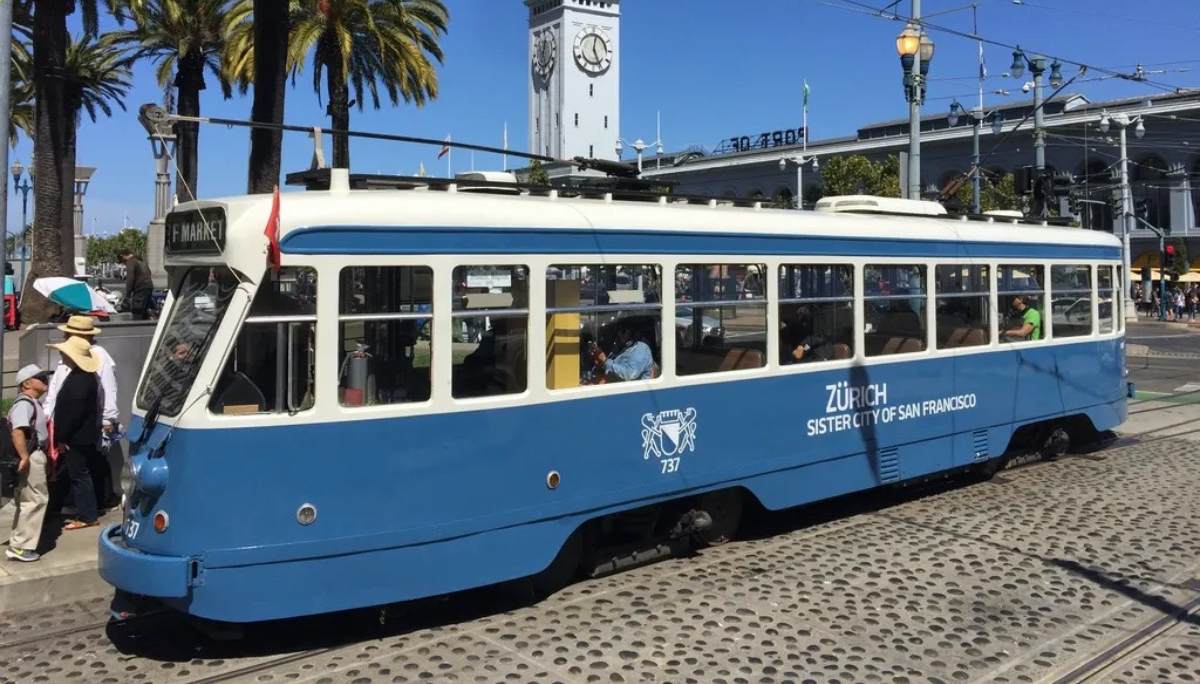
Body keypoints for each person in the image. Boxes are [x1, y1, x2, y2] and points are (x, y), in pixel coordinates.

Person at [43, 316, 120, 509]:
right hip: (63, 421)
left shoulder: (98, 355)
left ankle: (96, 502)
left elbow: (108, 389)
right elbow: (55, 389)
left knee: (89, 463)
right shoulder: (69, 356)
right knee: (76, 464)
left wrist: (107, 418)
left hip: (87, 422)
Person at [46, 336, 103, 530]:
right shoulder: (83, 375)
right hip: (79, 435)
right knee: (78, 473)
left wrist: (62, 437)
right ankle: (84, 512)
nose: (62, 355)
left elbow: (73, 413)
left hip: (75, 438)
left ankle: (87, 515)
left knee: (79, 474)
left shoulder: (80, 380)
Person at [6, 365, 51, 562]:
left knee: (27, 499)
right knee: (35, 499)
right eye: (40, 377)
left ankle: (18, 541)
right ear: (27, 383)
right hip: (31, 454)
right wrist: (25, 456)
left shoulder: (31, 403)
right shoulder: (24, 403)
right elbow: (17, 431)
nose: (45, 380)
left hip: (33, 453)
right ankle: (22, 546)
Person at [588, 323, 656, 382]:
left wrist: (605, 361)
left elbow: (630, 374)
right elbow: (609, 368)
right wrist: (599, 361)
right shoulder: (620, 347)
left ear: (633, 332)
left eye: (624, 331)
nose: (619, 334)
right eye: (619, 331)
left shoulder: (641, 349)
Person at [120, 249, 154, 320]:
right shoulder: (142, 262)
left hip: (140, 289)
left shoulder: (131, 262)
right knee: (144, 312)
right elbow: (149, 273)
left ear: (123, 256)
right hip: (148, 288)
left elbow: (130, 279)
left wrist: (128, 295)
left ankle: (137, 328)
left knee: (137, 312)